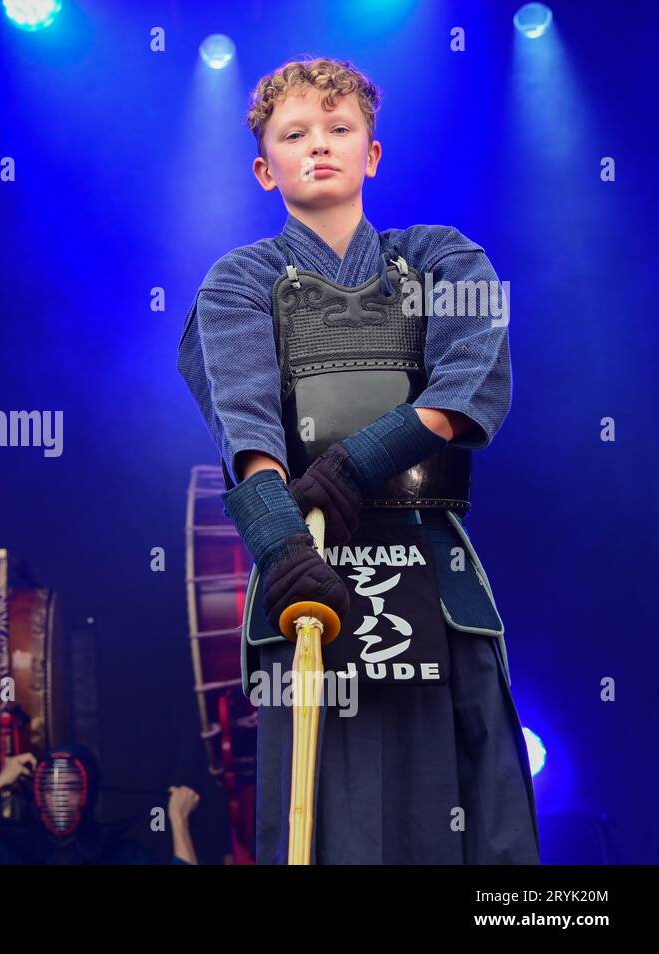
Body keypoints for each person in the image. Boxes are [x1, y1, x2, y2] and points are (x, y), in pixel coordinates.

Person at [177, 58, 539, 864]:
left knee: (474, 818)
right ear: (265, 167)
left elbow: (467, 386)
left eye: (341, 129)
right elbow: (247, 431)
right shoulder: (239, 282)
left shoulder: (444, 257)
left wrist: (356, 462)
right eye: (295, 134)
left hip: (433, 569)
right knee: (329, 821)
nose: (321, 146)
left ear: (372, 153)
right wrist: (282, 549)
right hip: (312, 575)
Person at [0, 749, 198, 864]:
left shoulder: (122, 856)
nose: (59, 798)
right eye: (50, 788)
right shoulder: (15, 853)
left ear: (88, 793)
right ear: (39, 795)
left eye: (70, 788)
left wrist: (178, 819)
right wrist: (0, 781)